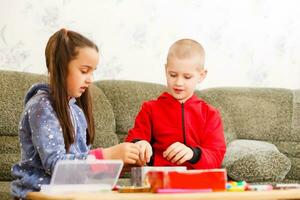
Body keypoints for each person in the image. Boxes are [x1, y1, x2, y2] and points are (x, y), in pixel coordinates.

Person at [11, 28, 140, 199]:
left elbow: (81, 167)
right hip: (39, 191)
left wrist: (117, 163)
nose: (90, 79)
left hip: (70, 189)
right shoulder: (41, 106)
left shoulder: (76, 111)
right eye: (84, 71)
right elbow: (56, 164)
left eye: (93, 72)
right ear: (60, 68)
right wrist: (105, 155)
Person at [126, 39, 226, 169]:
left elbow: (216, 156)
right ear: (165, 70)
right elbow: (131, 142)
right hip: (159, 179)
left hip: (197, 181)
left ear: (201, 75)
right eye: (173, 75)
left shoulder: (210, 114)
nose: (178, 82)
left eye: (187, 77)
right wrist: (139, 144)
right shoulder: (150, 109)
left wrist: (193, 154)